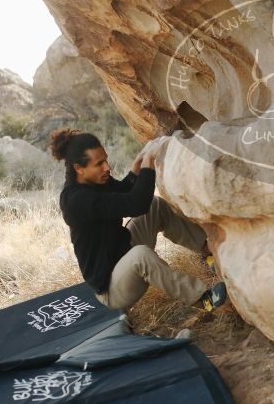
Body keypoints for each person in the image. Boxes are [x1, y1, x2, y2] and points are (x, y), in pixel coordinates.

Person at [49, 129, 226, 311]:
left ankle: (209, 251)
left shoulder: (96, 181)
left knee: (155, 206)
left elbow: (125, 190)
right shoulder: (76, 201)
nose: (107, 167)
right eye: (99, 164)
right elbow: (136, 204)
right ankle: (204, 299)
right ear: (79, 169)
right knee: (141, 256)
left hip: (124, 250)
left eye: (106, 160)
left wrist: (138, 163)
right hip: (113, 288)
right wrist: (148, 163)